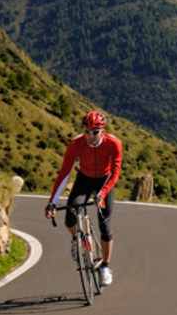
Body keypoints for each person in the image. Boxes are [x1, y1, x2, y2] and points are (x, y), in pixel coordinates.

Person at [45, 110, 122, 286]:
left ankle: (105, 267)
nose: (90, 136)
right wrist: (52, 202)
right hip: (84, 179)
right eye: (87, 131)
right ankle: (77, 239)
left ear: (102, 131)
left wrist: (103, 193)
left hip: (105, 181)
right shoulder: (76, 144)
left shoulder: (114, 143)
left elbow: (116, 172)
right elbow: (64, 173)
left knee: (104, 225)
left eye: (95, 132)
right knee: (70, 218)